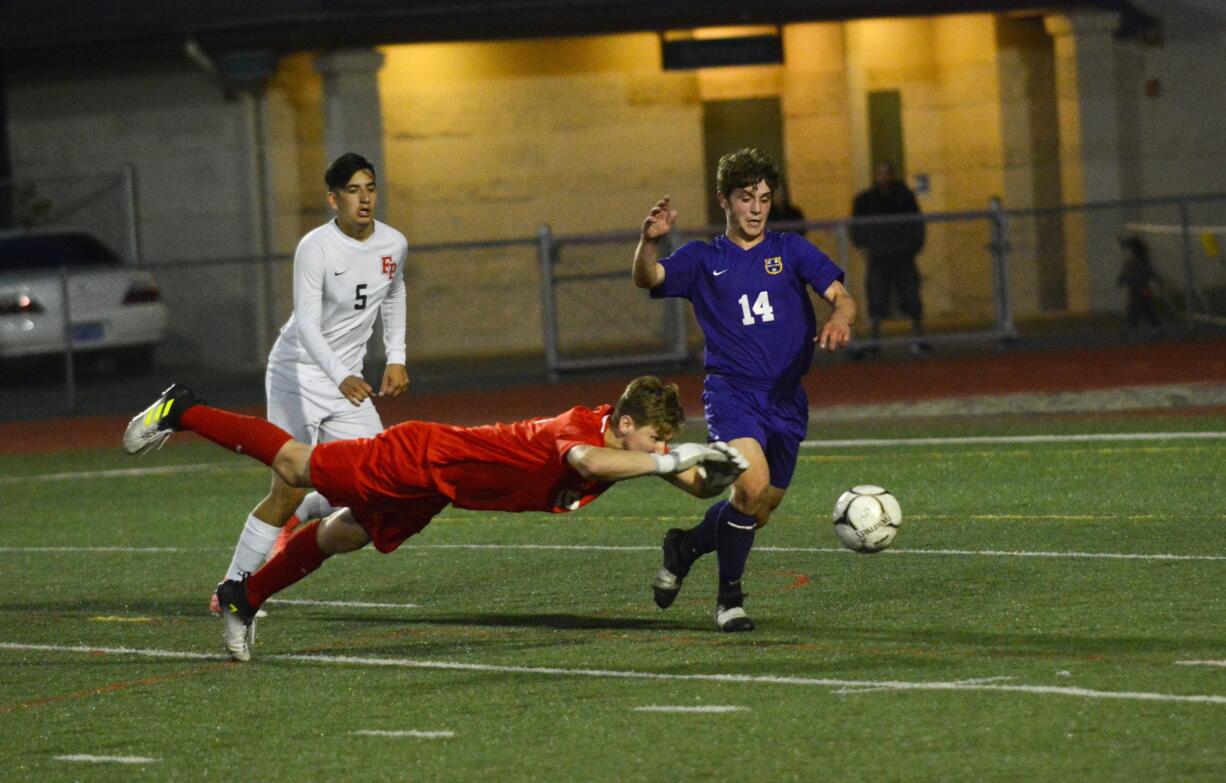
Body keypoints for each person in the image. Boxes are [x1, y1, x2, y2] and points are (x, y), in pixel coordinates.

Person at [123, 376, 748, 661]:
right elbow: (589, 459)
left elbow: (681, 476)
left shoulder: (631, 440)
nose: (659, 450)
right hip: (420, 458)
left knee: (345, 535)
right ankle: (186, 409)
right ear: (628, 425)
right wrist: (671, 465)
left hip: (437, 489)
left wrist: (719, 470)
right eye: (655, 440)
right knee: (293, 464)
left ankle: (244, 596)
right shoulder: (584, 431)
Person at [632, 147, 856, 632]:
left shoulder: (791, 250)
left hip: (787, 399)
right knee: (749, 487)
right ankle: (729, 600)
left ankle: (686, 546)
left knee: (760, 511)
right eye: (745, 198)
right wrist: (648, 243)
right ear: (724, 201)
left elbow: (842, 296)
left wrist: (839, 317)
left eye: (764, 198)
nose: (756, 208)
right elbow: (647, 276)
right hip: (733, 393)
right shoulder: (701, 258)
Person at [208, 152, 410, 616]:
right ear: (333, 199)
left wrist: (396, 356)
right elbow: (307, 327)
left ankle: (306, 511)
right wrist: (341, 376)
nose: (365, 198)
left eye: (371, 188)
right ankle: (232, 587)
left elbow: (396, 291)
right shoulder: (315, 247)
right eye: (354, 190)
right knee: (287, 487)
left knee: (379, 483)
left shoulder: (394, 243)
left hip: (348, 382)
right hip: (299, 373)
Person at [850, 161, 927, 356]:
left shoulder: (905, 197)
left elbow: (917, 224)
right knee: (876, 296)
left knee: (911, 295)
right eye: (880, 173)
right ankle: (876, 340)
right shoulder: (865, 200)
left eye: (887, 172)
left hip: (902, 255)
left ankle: (919, 337)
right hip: (878, 256)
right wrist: (863, 246)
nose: (884, 177)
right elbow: (856, 226)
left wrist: (913, 246)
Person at [1117, 236, 1162, 333]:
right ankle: (1154, 328)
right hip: (1137, 291)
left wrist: (1122, 281)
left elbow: (1149, 275)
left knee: (1139, 310)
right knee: (1143, 311)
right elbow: (1125, 275)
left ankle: (1133, 329)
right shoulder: (1131, 263)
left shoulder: (1137, 264)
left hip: (1141, 290)